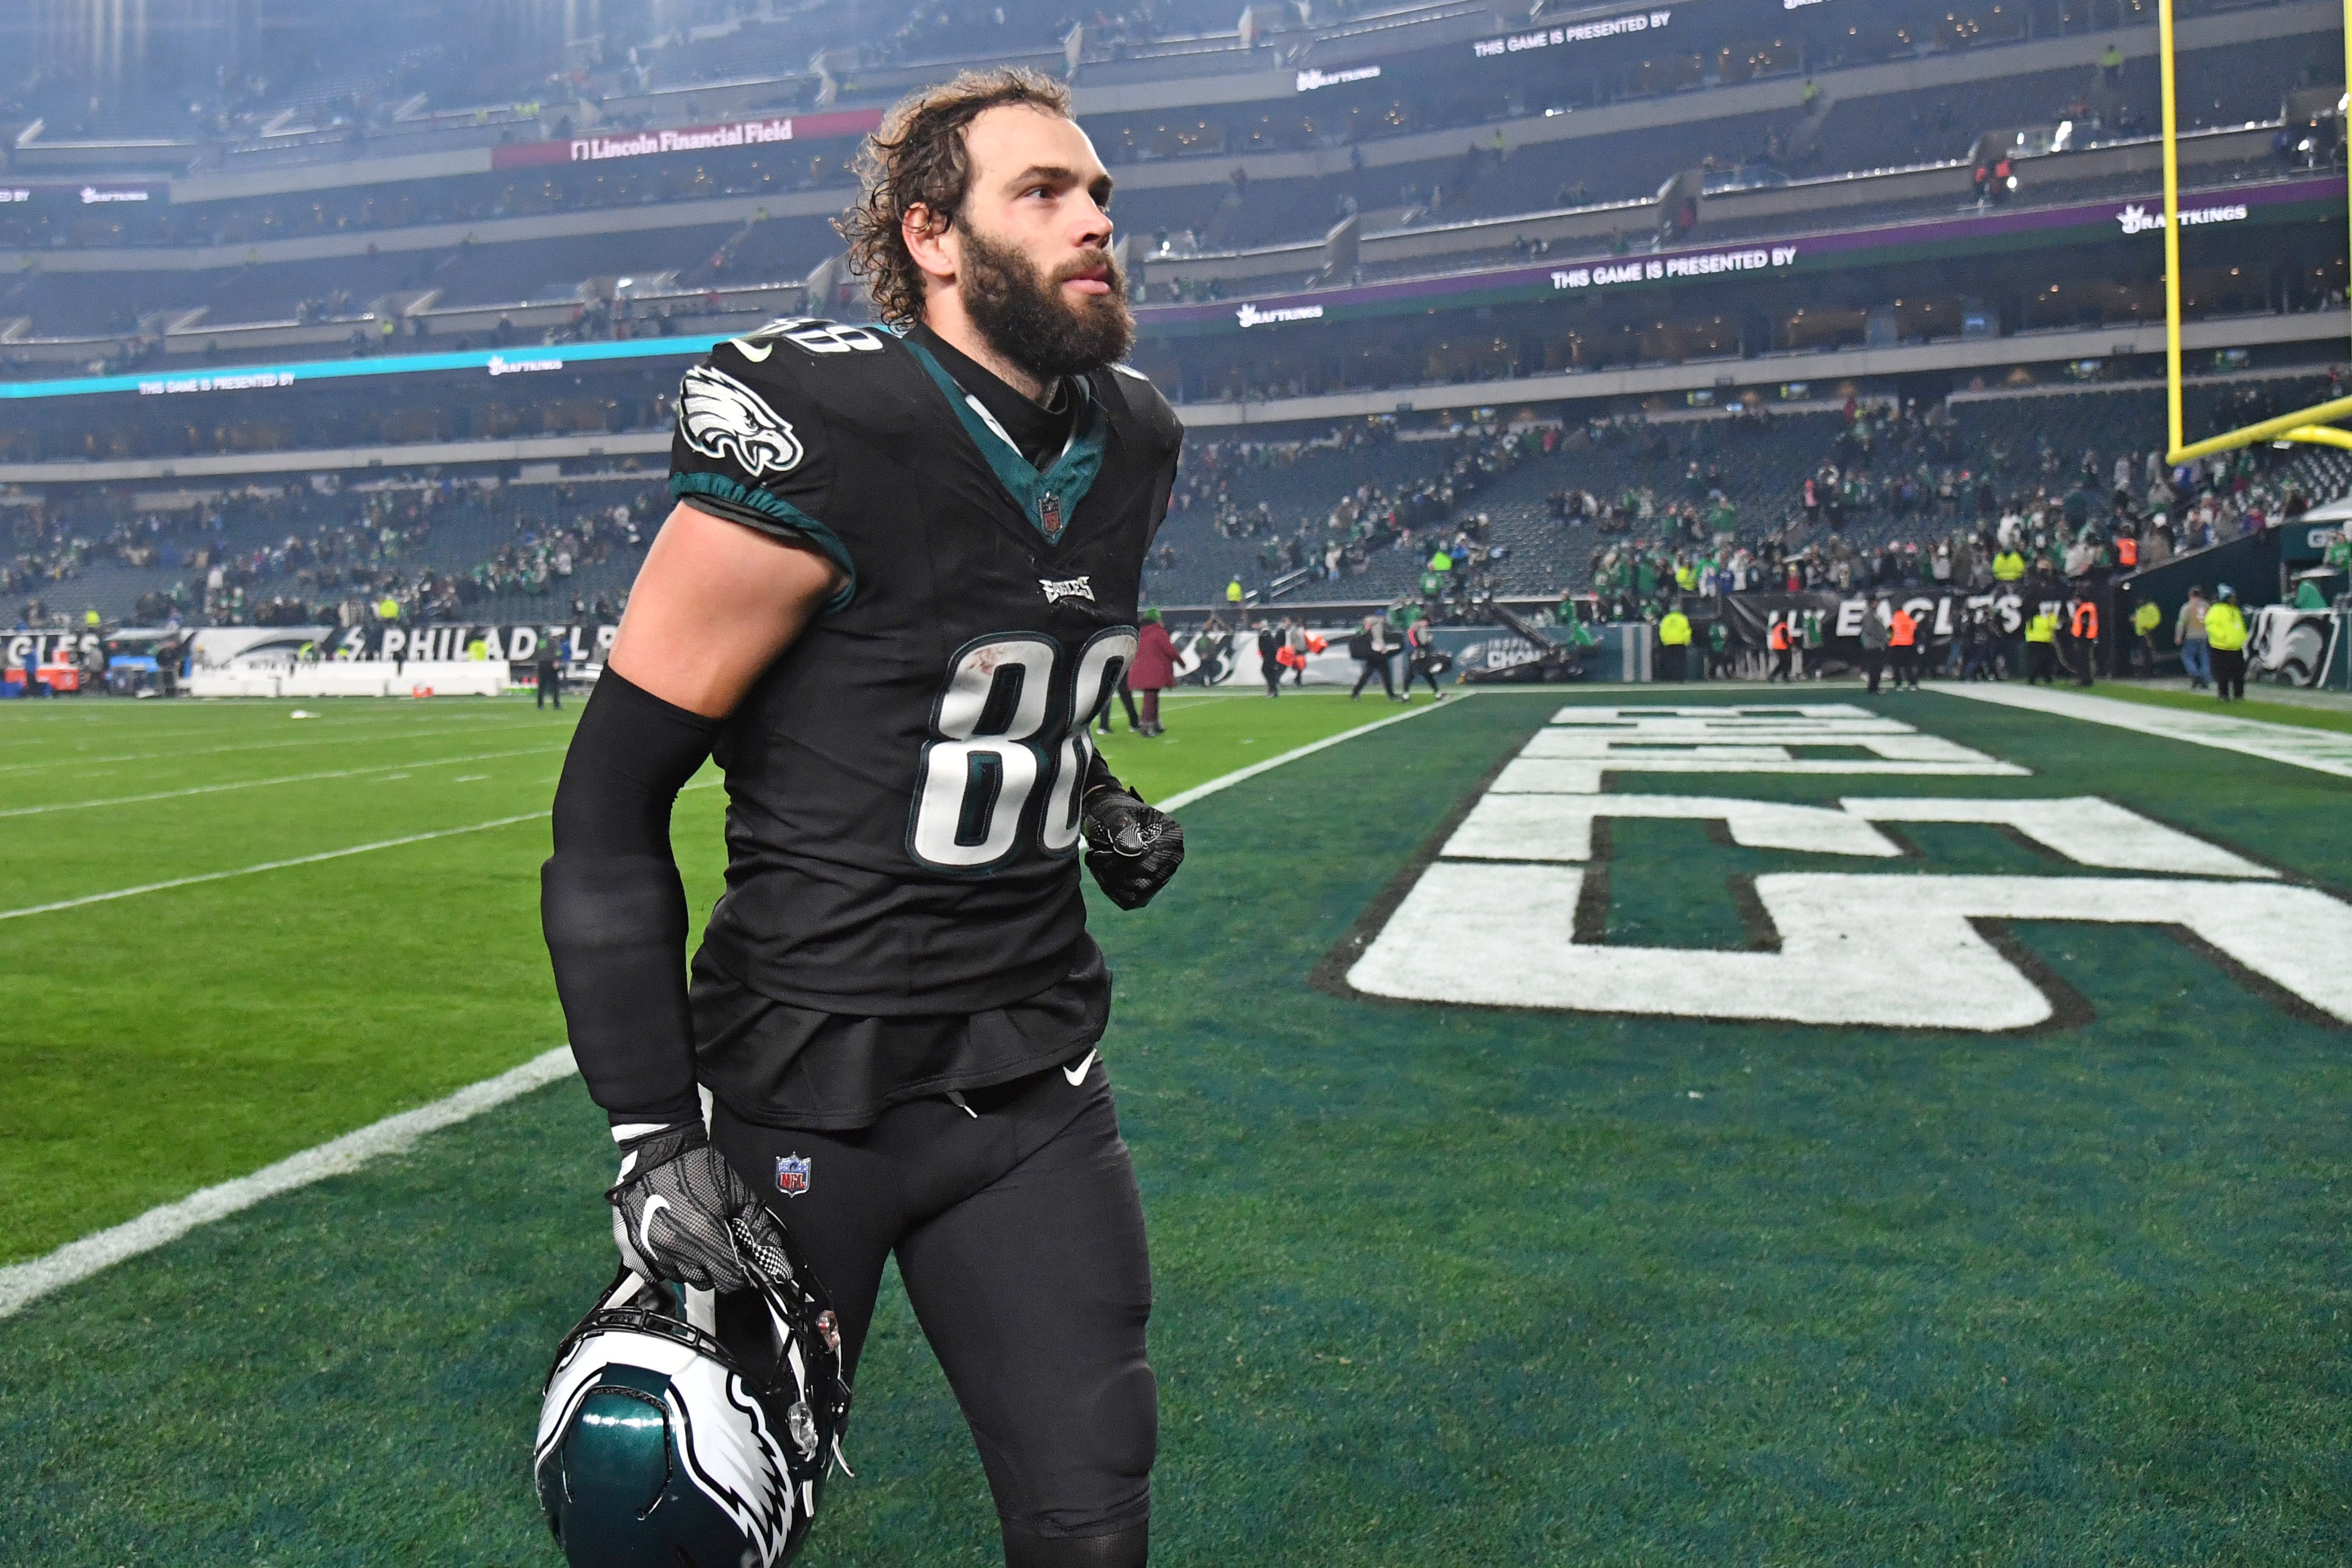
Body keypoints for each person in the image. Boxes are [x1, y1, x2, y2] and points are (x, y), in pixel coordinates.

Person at [538, 70, 1186, 1568]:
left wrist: (1085, 788)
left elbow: (955, 665)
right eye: (1043, 193)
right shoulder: (825, 423)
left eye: (1099, 196)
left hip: (1032, 1082)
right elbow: (607, 798)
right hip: (803, 1091)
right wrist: (650, 1136)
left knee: (1093, 1521)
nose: (1095, 221)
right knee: (687, 1529)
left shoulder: (1131, 438)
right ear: (933, 237)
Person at [1131, 608, 1177, 734]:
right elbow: (1169, 650)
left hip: (1140, 668)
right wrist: (1181, 662)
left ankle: (1154, 723)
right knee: (1151, 698)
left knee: (1151, 696)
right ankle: (1146, 726)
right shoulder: (1158, 632)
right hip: (1153, 670)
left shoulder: (1139, 632)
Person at [2206, 583, 2248, 700]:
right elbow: (2211, 626)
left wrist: (2242, 638)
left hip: (2236, 648)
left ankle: (2239, 695)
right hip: (2221, 648)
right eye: (2232, 596)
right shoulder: (2216, 610)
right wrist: (2223, 637)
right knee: (2222, 675)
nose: (2234, 599)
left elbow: (2241, 626)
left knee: (2239, 674)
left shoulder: (2235, 611)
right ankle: (2223, 695)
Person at [1348, 611, 1398, 700]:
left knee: (1370, 676)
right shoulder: (1377, 623)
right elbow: (1368, 621)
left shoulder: (1379, 627)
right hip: (1376, 654)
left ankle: (1355, 693)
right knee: (1381, 676)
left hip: (1376, 654)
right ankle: (1391, 695)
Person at [2176, 586, 2212, 690]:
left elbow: (2181, 623)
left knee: (2187, 656)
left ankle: (2195, 674)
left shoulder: (2187, 607)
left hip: (2192, 636)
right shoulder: (2207, 606)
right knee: (2205, 658)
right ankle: (2206, 680)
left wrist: (2179, 637)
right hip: (2205, 636)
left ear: (2191, 595)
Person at [1404, 615, 1447, 699]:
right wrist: (1429, 639)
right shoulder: (1421, 628)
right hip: (1419, 654)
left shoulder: (1412, 629)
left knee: (1414, 675)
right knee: (1420, 674)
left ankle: (1406, 695)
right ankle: (1438, 694)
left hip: (1413, 654)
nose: (1427, 625)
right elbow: (1423, 642)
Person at [1859, 592, 1890, 694]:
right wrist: (1881, 639)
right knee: (1875, 668)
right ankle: (1873, 688)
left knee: (1877, 668)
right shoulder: (1870, 615)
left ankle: (1874, 688)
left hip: (1874, 645)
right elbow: (1870, 630)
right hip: (1873, 645)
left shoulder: (1872, 614)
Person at [2064, 596, 2098, 688]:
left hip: (2084, 638)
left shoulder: (2085, 609)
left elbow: (2084, 624)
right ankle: (2086, 680)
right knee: (2085, 660)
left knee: (2083, 661)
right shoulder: (2089, 607)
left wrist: (2079, 636)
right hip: (2087, 637)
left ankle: (2085, 680)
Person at [1887, 600, 1920, 690]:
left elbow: (1889, 633)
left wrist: (1890, 641)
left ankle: (1898, 684)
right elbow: (1916, 632)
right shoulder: (1910, 621)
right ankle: (1912, 684)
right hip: (1909, 645)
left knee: (1897, 667)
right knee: (1908, 666)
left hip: (1896, 645)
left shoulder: (1895, 621)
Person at [2024, 601, 2059, 684]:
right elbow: (2053, 625)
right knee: (2044, 662)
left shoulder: (2031, 621)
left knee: (2036, 662)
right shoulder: (2044, 620)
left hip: (2031, 642)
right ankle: (2042, 679)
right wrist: (2051, 615)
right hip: (2043, 642)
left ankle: (2040, 678)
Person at [1657, 600, 1692, 682]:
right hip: (1680, 643)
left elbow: (1662, 632)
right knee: (1680, 662)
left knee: (1670, 662)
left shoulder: (1666, 619)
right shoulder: (1683, 619)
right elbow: (1687, 632)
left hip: (1669, 643)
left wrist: (1665, 642)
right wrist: (1686, 641)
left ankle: (1671, 678)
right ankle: (1680, 679)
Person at [2131, 597, 2161, 676]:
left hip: (2149, 633)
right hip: (2141, 634)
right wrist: (2133, 620)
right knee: (2144, 653)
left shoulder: (2151, 608)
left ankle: (2151, 670)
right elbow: (2139, 620)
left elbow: (2156, 620)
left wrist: (2149, 627)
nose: (2140, 601)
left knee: (2150, 652)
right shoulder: (2140, 609)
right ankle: (2145, 670)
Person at [1256, 618, 1283, 697]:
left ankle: (1273, 690)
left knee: (1267, 672)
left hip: (1269, 657)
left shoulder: (1265, 633)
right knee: (1269, 672)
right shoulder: (1267, 633)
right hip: (1270, 657)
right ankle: (1273, 690)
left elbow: (1268, 646)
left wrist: (1267, 655)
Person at [534, 638, 563, 709]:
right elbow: (558, 652)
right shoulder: (553, 642)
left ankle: (540, 705)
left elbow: (536, 654)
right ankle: (556, 705)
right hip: (551, 664)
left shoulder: (540, 642)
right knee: (555, 686)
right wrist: (557, 661)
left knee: (542, 686)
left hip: (542, 664)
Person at [1767, 616, 1793, 683]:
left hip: (1777, 646)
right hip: (1783, 647)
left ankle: (1782, 676)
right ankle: (1778, 676)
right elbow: (1785, 637)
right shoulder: (1783, 626)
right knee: (1785, 662)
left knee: (1783, 663)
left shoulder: (1776, 626)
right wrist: (1789, 645)